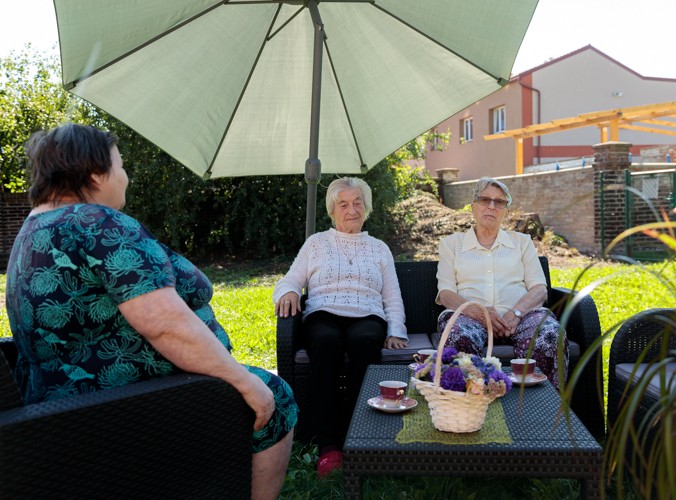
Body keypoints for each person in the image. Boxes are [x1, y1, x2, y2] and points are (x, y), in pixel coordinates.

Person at [5, 123, 297, 500]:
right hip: (129, 404)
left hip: (61, 403)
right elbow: (165, 325)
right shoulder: (94, 223)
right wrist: (244, 382)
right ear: (96, 174)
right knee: (276, 396)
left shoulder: (33, 229)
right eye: (121, 165)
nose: (126, 176)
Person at [273, 177, 408, 477]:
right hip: (324, 314)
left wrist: (396, 331)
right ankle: (329, 446)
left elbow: (392, 296)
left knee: (363, 344)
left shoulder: (379, 248)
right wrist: (288, 293)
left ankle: (360, 438)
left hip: (368, 315)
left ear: (366, 208)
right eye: (343, 204)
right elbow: (290, 280)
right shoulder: (316, 243)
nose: (352, 209)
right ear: (333, 211)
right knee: (324, 343)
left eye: (357, 202)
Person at [436, 177, 568, 388]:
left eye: (499, 202)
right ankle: (470, 409)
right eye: (485, 199)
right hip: (470, 317)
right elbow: (446, 294)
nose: (491, 206)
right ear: (473, 207)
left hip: (521, 317)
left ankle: (543, 408)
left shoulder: (521, 242)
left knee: (549, 334)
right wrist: (479, 312)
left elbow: (539, 289)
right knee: (459, 338)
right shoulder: (452, 244)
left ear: (506, 209)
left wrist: (515, 313)